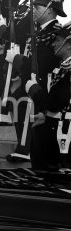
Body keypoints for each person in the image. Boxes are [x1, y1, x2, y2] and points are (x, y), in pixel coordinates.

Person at [9, 0, 65, 166]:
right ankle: (24, 146)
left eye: (38, 6)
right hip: (30, 90)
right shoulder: (39, 32)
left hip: (43, 95)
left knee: (43, 152)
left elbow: (44, 65)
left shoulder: (56, 34)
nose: (33, 9)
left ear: (49, 9)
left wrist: (18, 61)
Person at [0, 0, 44, 163]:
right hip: (15, 60)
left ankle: (25, 146)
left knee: (22, 100)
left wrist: (4, 29)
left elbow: (23, 34)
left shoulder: (32, 8)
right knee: (17, 99)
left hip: (27, 61)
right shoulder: (20, 8)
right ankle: (23, 145)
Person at [26, 22, 71, 171]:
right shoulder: (64, 68)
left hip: (64, 136)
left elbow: (56, 102)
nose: (53, 44)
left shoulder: (68, 70)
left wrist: (34, 90)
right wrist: (47, 116)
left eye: (58, 40)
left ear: (69, 44)